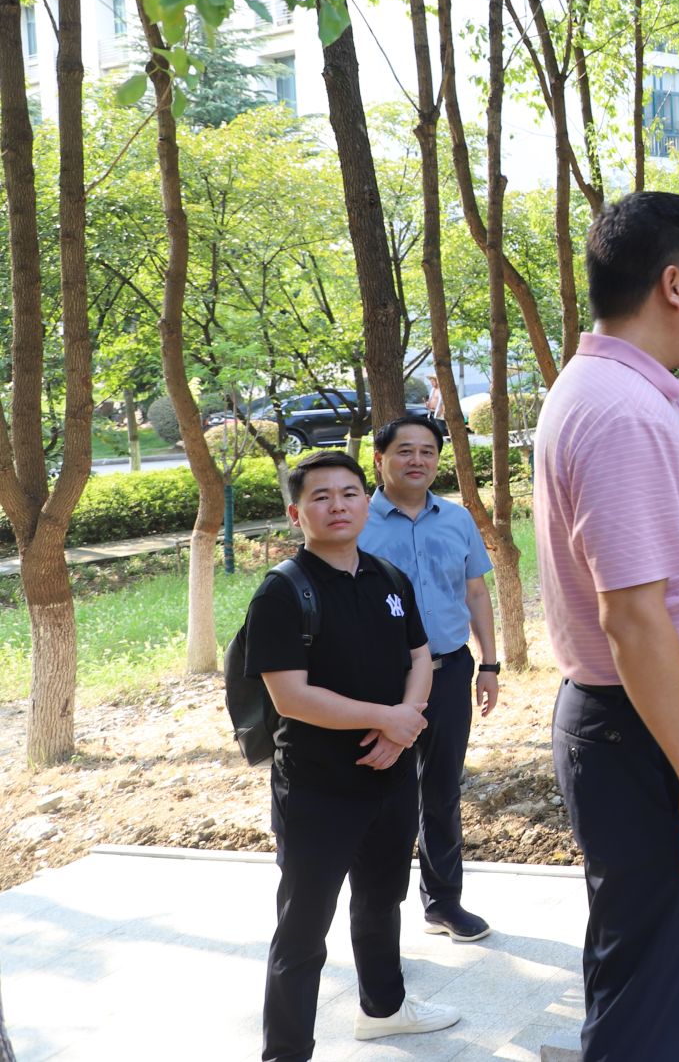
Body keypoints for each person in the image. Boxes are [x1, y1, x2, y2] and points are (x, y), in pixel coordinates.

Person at [534, 191, 679, 1061]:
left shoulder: (616, 391)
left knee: (636, 974)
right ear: (673, 283)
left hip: (644, 723)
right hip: (654, 730)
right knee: (650, 1000)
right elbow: (632, 616)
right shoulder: (621, 412)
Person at [247, 451, 455, 1060]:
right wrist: (385, 719)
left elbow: (420, 657)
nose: (337, 505)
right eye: (321, 496)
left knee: (382, 898)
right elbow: (290, 697)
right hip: (318, 788)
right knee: (304, 926)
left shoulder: (389, 578)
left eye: (349, 493)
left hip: (392, 775)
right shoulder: (284, 591)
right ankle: (286, 1051)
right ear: (296, 514)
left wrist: (402, 727)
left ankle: (384, 1010)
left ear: (367, 502)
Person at [359, 415, 499, 942]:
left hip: (449, 672)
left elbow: (476, 592)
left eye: (427, 451)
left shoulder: (457, 519)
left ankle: (443, 903)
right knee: (383, 797)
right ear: (380, 459)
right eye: (404, 451)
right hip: (379, 683)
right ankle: (377, 921)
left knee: (441, 792)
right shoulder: (357, 521)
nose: (417, 460)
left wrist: (489, 664)